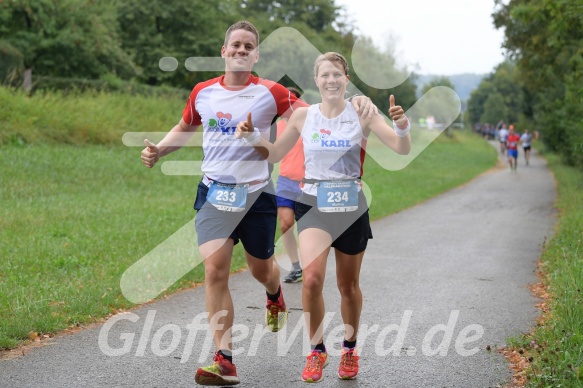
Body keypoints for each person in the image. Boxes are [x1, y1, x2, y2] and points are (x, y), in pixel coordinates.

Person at [140, 21, 377, 387]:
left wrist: (355, 102)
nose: (241, 50)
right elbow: (186, 126)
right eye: (235, 45)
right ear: (224, 51)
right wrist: (159, 148)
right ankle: (225, 359)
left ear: (256, 54)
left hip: (257, 196)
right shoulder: (202, 92)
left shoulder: (273, 92)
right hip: (214, 193)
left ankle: (274, 292)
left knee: (261, 270)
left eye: (248, 46)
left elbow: (318, 112)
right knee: (215, 271)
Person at [236, 52, 411, 383]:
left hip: (350, 206)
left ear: (346, 79)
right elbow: (274, 154)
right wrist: (251, 137)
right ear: (316, 81)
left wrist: (402, 125)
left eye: (337, 75)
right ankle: (316, 351)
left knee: (348, 286)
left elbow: (400, 149)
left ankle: (349, 348)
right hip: (313, 202)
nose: (331, 80)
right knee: (313, 279)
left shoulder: (363, 113)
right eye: (324, 75)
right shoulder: (304, 117)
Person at [276, 86, 304, 283]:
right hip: (285, 181)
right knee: (285, 224)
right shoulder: (276, 127)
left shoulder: (309, 122)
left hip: (308, 183)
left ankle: (310, 264)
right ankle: (296, 267)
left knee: (306, 228)